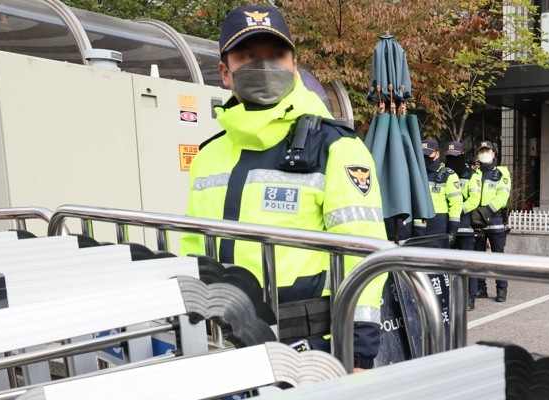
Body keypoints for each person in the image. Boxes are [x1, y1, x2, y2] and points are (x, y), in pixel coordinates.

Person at [182, 5, 386, 371]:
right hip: (220, 343)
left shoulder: (337, 146)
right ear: (225, 73)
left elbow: (364, 254)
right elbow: (192, 245)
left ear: (294, 67)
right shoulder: (208, 155)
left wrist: (358, 351)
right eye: (248, 56)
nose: (265, 66)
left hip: (306, 347)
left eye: (276, 55)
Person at [464, 140, 511, 303]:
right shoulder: (475, 174)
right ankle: (480, 288)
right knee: (478, 257)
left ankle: (502, 289)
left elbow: (502, 197)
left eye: (487, 150)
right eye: (481, 151)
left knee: (498, 258)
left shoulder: (501, 173)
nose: (484, 153)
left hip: (495, 219)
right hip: (477, 222)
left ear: (494, 153)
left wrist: (486, 210)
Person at [419, 138, 462, 249]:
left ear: (437, 154)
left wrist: (453, 228)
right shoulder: (416, 174)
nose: (424, 158)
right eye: (422, 155)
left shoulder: (448, 175)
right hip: (418, 226)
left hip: (438, 225)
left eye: (427, 155)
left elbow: (456, 203)